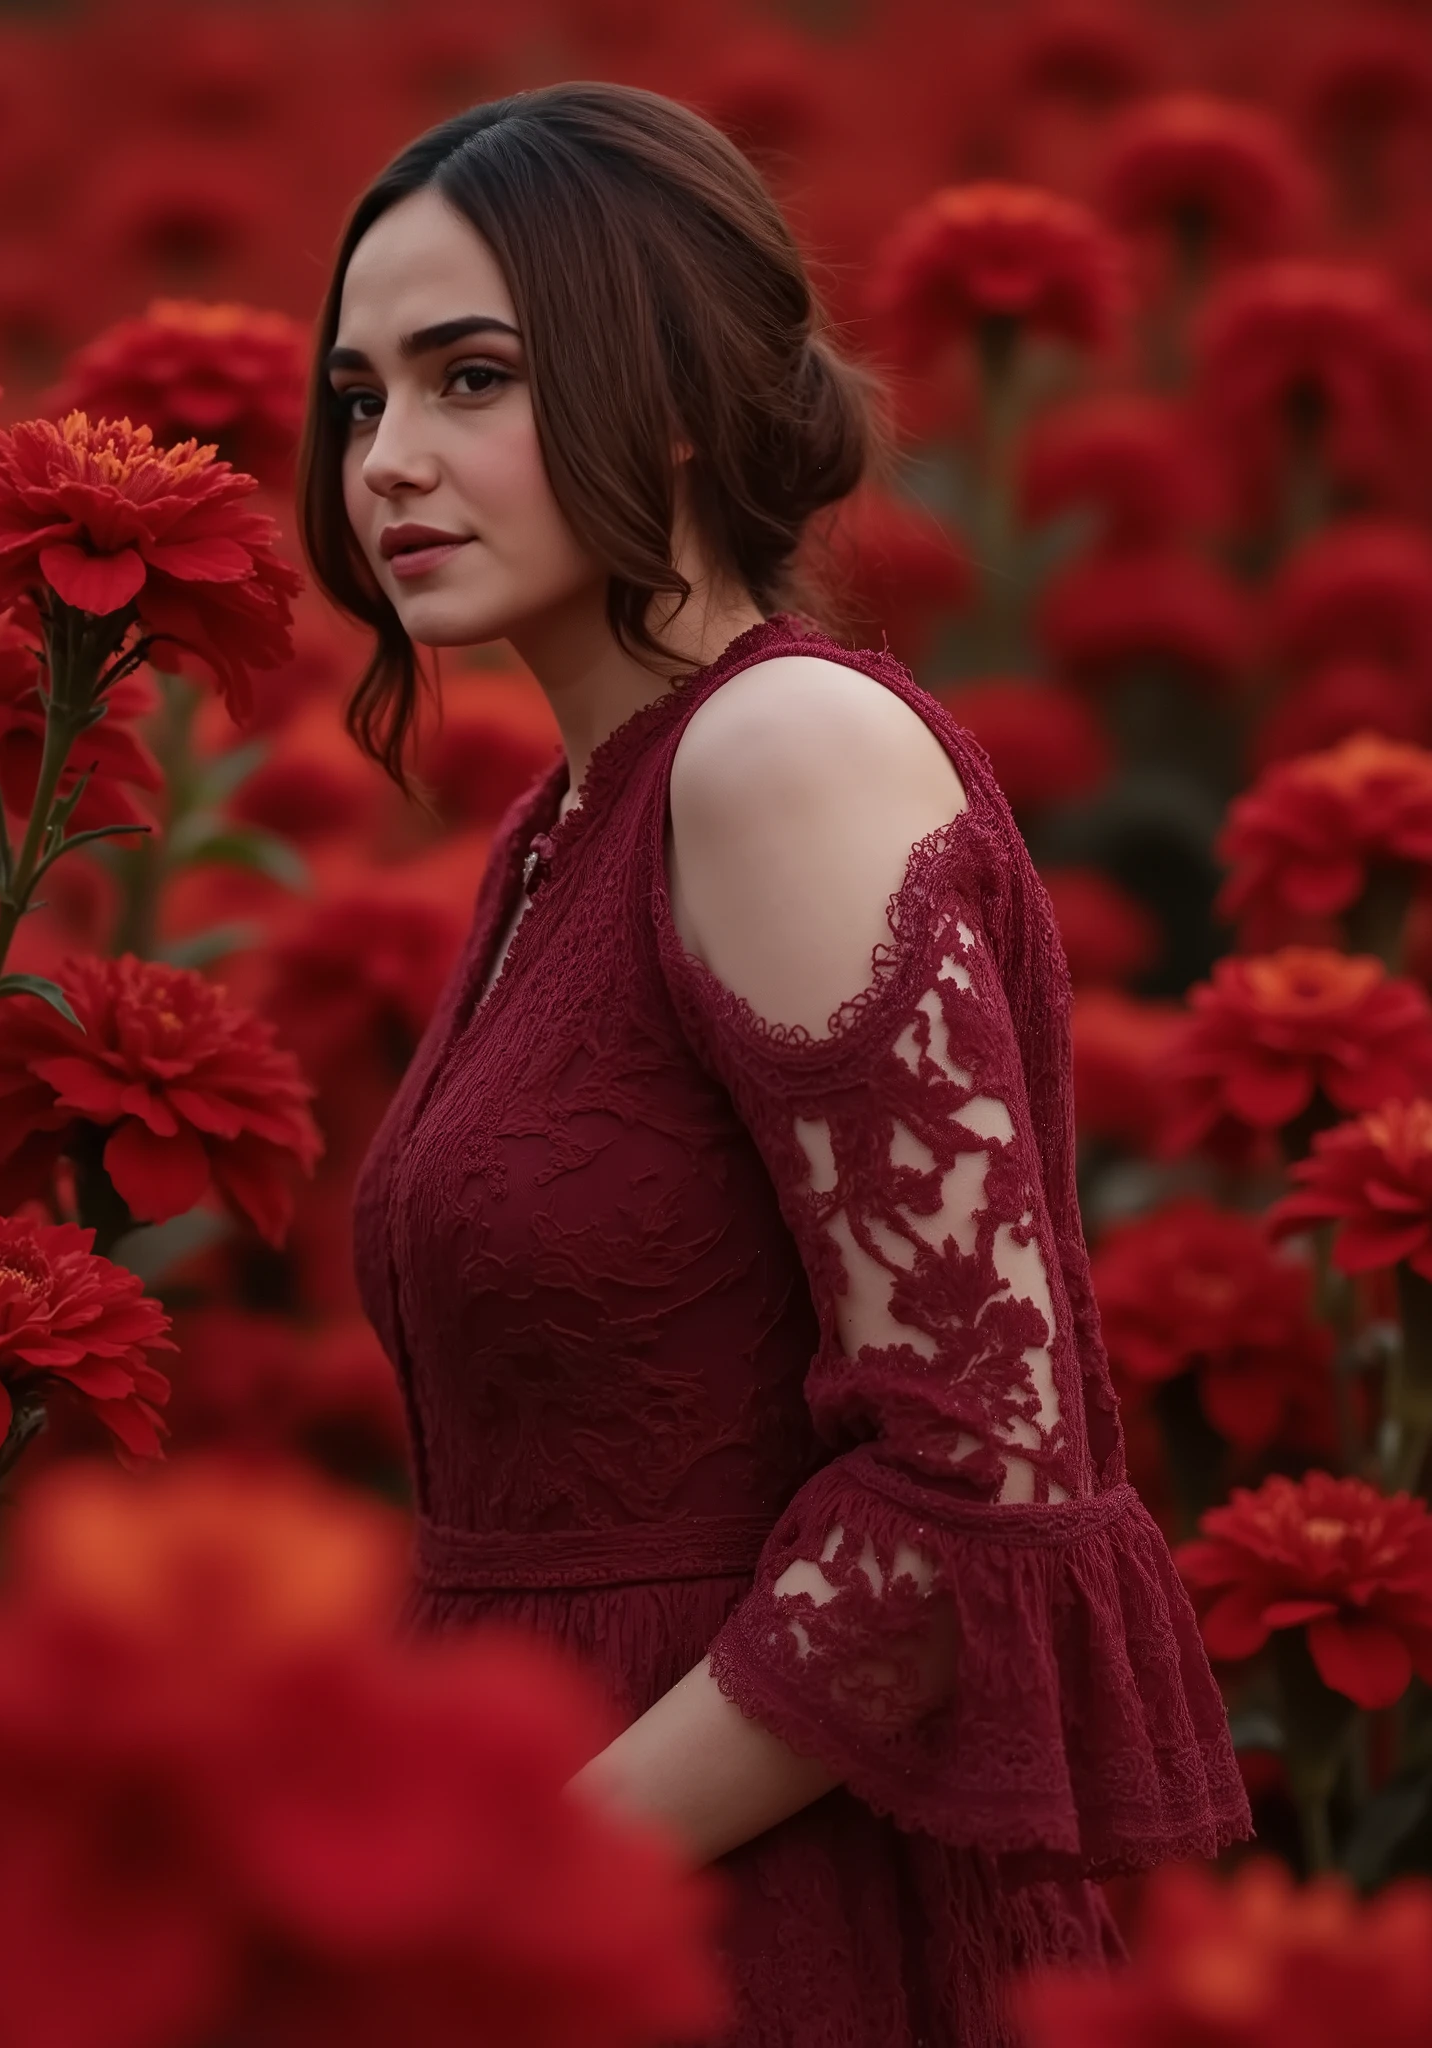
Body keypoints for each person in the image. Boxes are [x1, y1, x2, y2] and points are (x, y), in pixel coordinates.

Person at [299, 80, 1249, 2048]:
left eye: (468, 377)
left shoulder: (776, 756)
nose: (388, 459)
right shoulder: (569, 817)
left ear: (660, 386)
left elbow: (973, 1476)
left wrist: (527, 1871)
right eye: (357, 397)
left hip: (746, 1901)